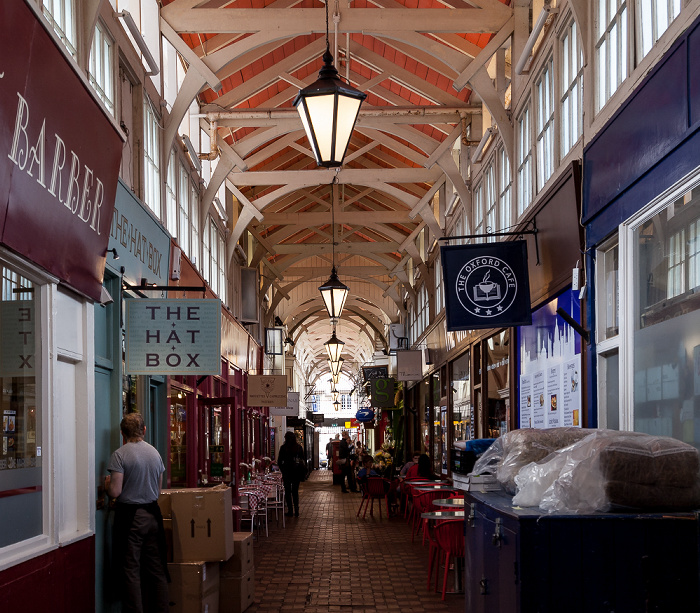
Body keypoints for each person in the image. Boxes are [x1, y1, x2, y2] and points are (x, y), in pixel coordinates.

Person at [105, 412, 169, 613]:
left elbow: (115, 491)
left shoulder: (120, 455)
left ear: (123, 433)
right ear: (144, 430)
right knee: (157, 568)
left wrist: (107, 485)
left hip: (131, 518)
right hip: (153, 515)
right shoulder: (155, 453)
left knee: (131, 569)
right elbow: (158, 491)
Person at [277, 431, 306, 517]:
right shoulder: (298, 448)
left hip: (287, 473)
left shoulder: (283, 448)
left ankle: (290, 510)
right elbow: (302, 459)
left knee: (288, 491)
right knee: (295, 491)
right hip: (296, 472)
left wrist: (283, 470)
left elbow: (279, 461)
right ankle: (296, 509)